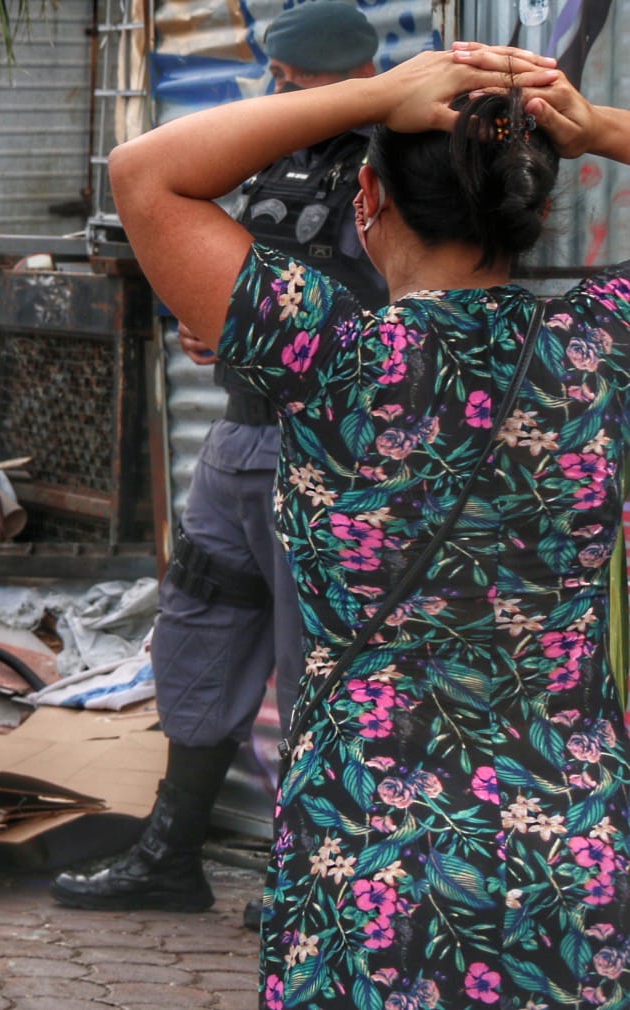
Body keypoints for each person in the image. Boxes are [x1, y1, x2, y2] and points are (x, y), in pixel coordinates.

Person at [103, 33, 630, 1010]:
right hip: (564, 851)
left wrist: (373, 96)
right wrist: (595, 127)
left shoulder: (321, 347)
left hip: (363, 855)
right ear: (537, 208)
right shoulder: (599, 344)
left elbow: (145, 174)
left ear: (365, 202)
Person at [49, 1, 386, 916]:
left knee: (315, 658)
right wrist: (221, 332)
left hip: (333, 443)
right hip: (242, 432)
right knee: (201, 628)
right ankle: (169, 853)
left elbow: (402, 306)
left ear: (353, 75)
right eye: (277, 74)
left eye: (294, 75)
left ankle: (316, 877)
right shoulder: (269, 151)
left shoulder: (398, 161)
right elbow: (243, 270)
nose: (277, 87)